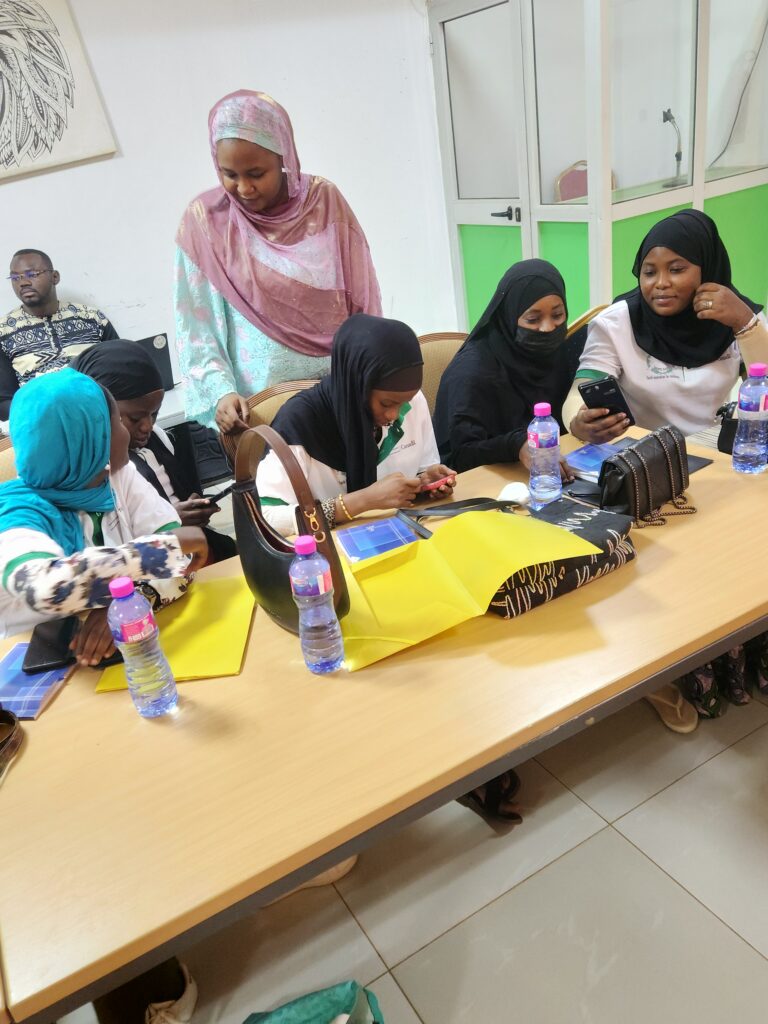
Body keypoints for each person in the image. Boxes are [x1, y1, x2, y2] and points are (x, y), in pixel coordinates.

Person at [175, 90, 382, 436]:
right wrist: (222, 392)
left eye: (256, 173)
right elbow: (198, 327)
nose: (244, 188)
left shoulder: (323, 201)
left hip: (342, 390)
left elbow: (363, 297)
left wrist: (372, 367)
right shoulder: (206, 222)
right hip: (263, 411)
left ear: (285, 157)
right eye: (229, 174)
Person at [0, 369, 208, 658]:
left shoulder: (117, 476)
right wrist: (156, 553)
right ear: (91, 441)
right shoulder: (15, 516)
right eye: (118, 423)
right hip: (47, 670)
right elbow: (49, 588)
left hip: (131, 651)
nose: (126, 433)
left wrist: (130, 601)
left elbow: (184, 565)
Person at [564, 209, 768, 443]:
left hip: (714, 445)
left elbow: (762, 389)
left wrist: (745, 324)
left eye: (676, 270)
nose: (661, 283)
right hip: (644, 449)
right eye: (649, 272)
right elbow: (578, 393)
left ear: (707, 267)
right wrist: (578, 422)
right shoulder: (617, 322)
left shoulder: (736, 314)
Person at [257, 314, 455, 536]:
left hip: (401, 534)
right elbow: (266, 518)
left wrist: (424, 483)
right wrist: (361, 501)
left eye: (404, 403)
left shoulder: (412, 402)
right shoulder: (298, 424)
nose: (394, 414)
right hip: (329, 550)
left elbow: (423, 468)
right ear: (357, 386)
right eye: (386, 404)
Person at [73, 340, 237, 565]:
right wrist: (169, 520)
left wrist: (190, 509)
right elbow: (108, 549)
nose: (147, 426)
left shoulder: (158, 439)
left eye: (154, 414)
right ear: (100, 412)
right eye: (135, 418)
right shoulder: (104, 470)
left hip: (187, 549)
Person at [434, 259, 580, 480]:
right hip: (486, 485)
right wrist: (516, 445)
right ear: (509, 316)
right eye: (533, 319)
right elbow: (460, 455)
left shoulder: (558, 352)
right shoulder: (472, 372)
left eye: (558, 315)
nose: (548, 328)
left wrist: (580, 423)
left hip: (552, 475)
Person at [0, 249, 118, 420]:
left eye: (32, 274)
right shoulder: (3, 332)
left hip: (101, 413)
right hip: (43, 422)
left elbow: (120, 370)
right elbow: (3, 402)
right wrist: (44, 412)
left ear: (55, 277)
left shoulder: (92, 318)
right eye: (15, 277)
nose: (23, 282)